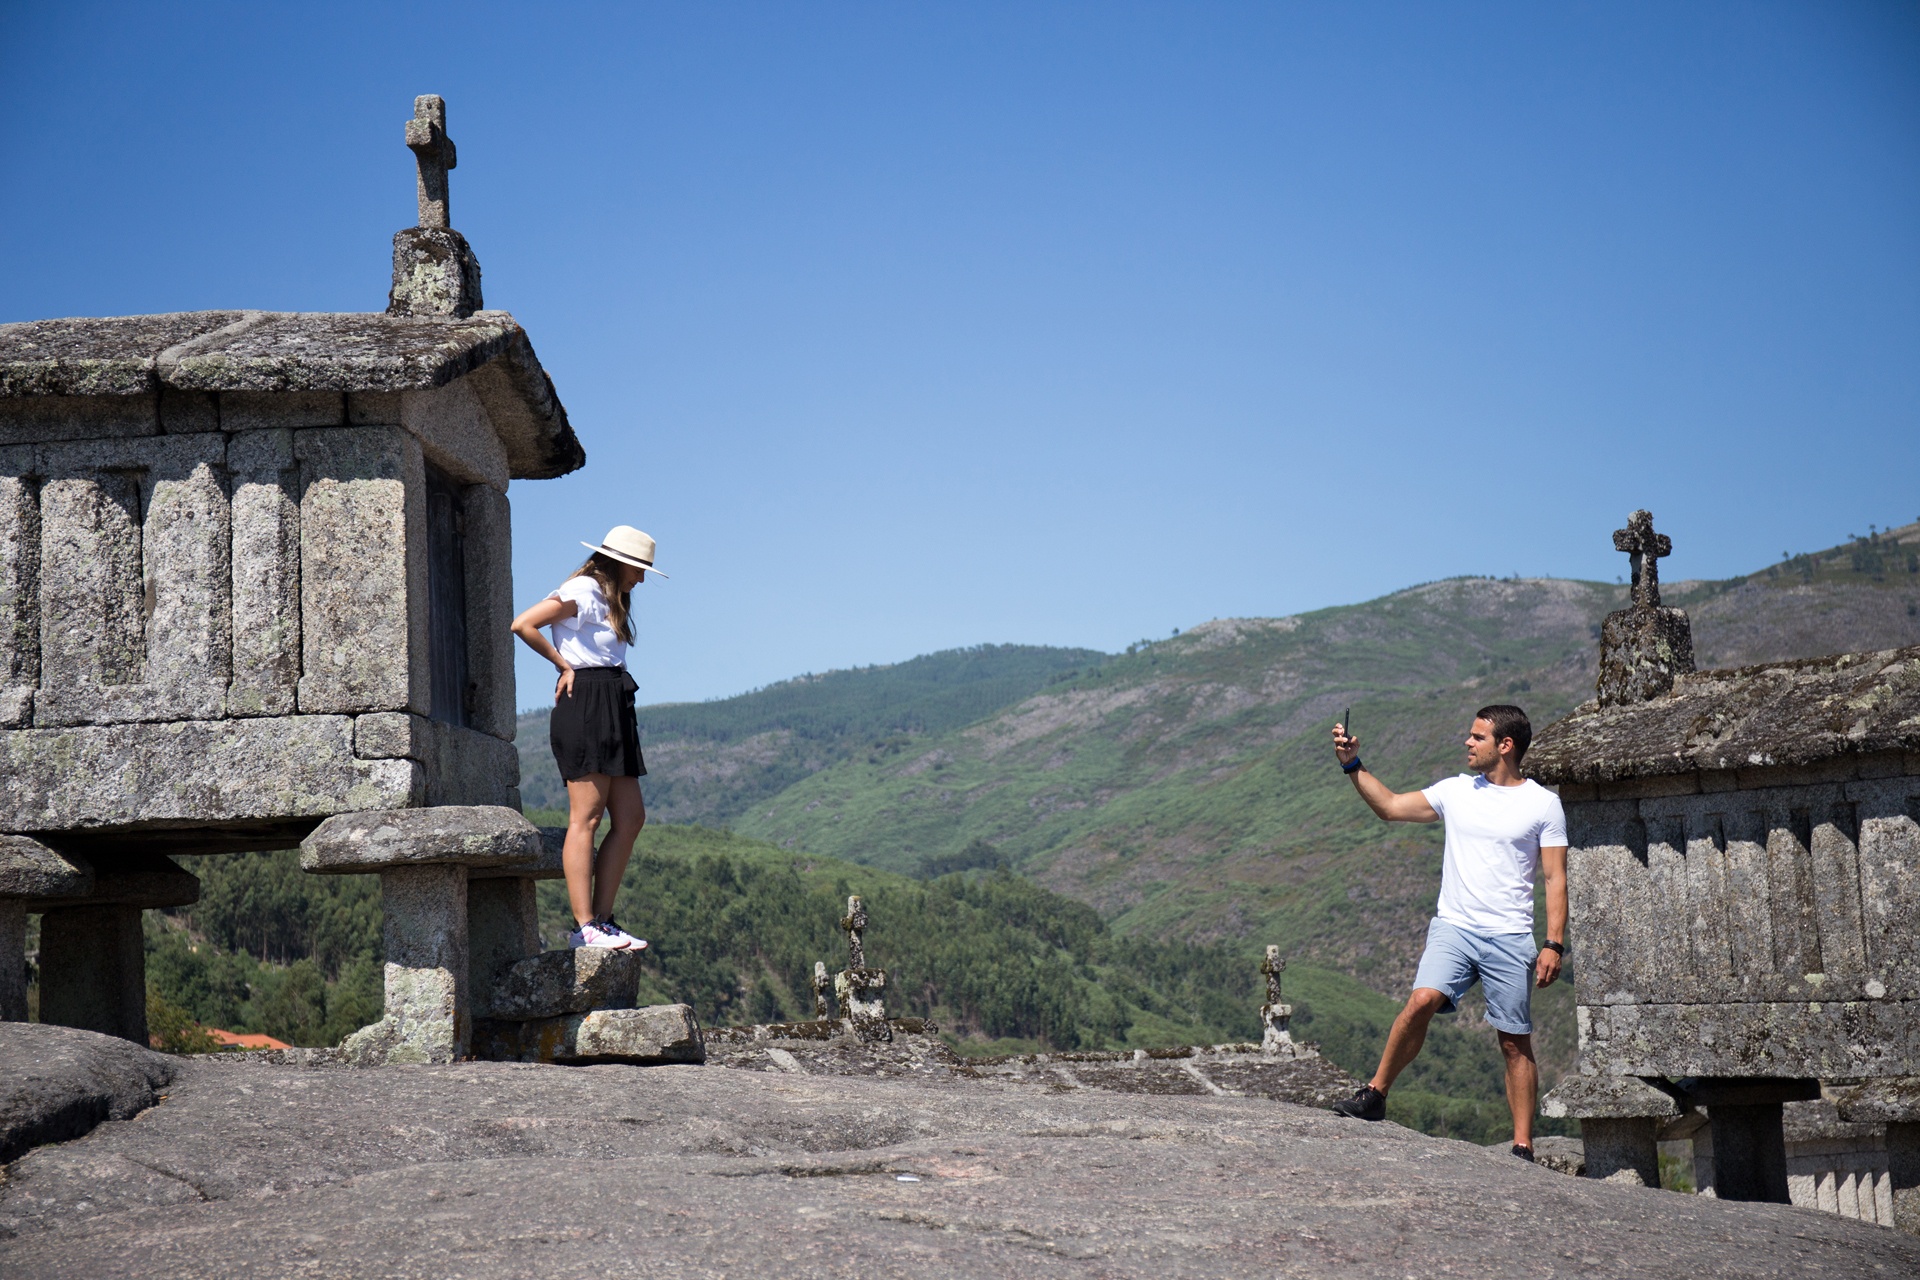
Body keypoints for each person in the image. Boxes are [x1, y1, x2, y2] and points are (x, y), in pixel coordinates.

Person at [1327, 704, 1567, 1162]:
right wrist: (1351, 764)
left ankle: (1522, 1144)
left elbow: (1556, 877)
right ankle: (1375, 1094)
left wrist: (1553, 942)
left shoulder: (1543, 804)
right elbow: (1392, 807)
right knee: (1420, 1000)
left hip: (1510, 934)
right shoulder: (1456, 790)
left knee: (1514, 1040)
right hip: (1454, 926)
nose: (1468, 743)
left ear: (1505, 745)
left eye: (1477, 737)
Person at [510, 525, 668, 951]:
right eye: (638, 569)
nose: (640, 578)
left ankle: (603, 920)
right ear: (619, 563)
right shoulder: (581, 589)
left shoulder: (610, 599)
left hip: (615, 701)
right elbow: (523, 624)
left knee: (631, 817)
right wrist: (563, 665)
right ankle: (585, 927)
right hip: (586, 702)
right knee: (588, 817)